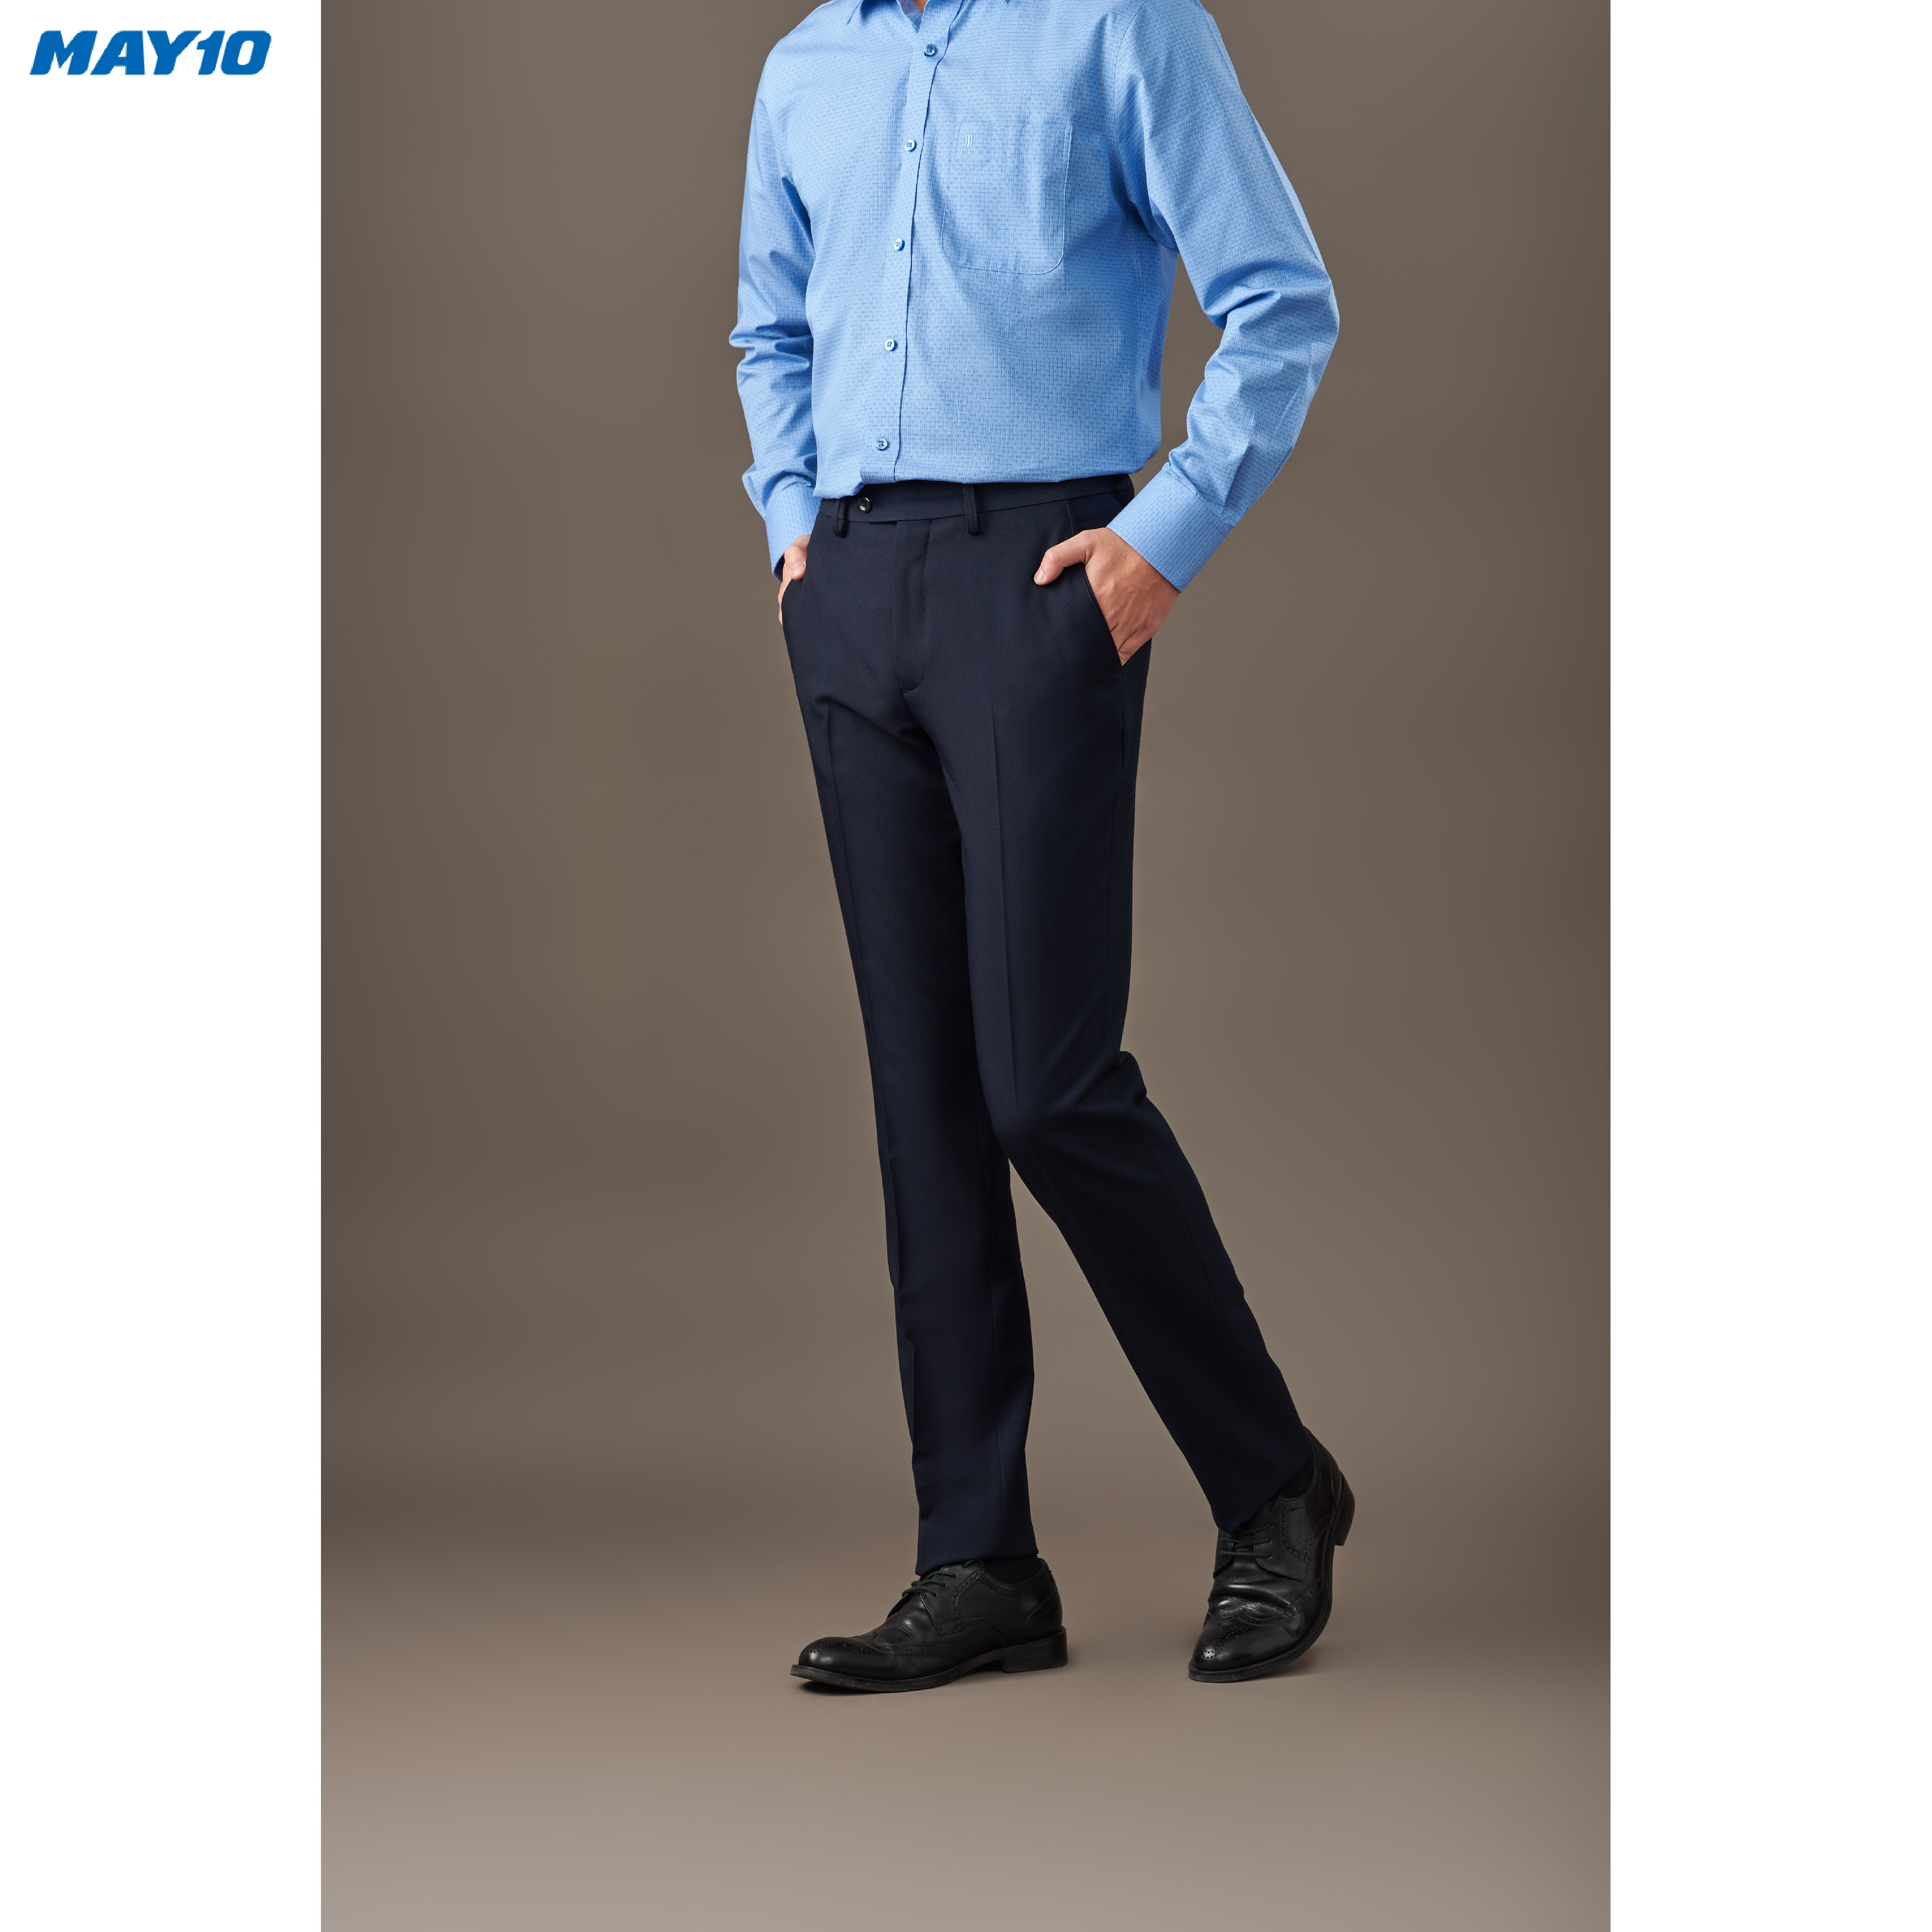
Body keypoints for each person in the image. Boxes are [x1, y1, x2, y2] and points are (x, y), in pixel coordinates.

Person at [731, 0, 1350, 1690]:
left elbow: (1282, 300)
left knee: (1045, 1085)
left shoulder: (1120, 26)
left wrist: (1161, 543)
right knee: (924, 1093)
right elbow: (768, 327)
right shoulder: (807, 69)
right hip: (853, 590)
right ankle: (978, 1557)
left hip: (1042, 579)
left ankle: (1272, 1482)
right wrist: (792, 531)